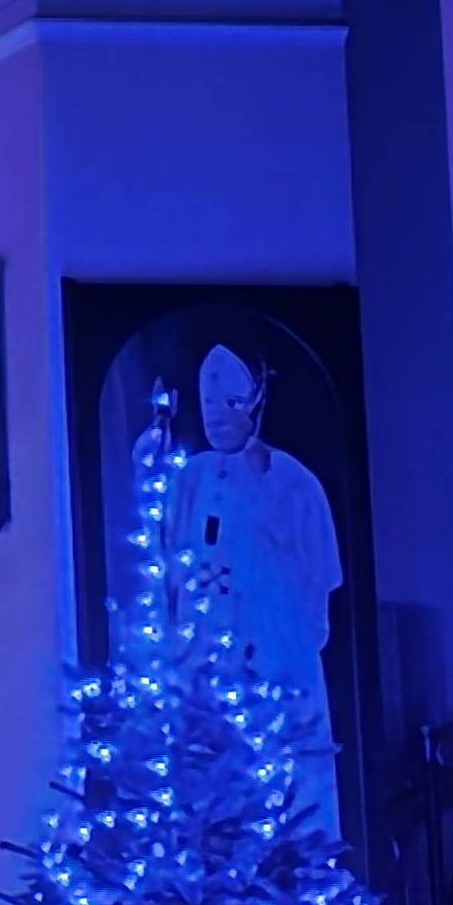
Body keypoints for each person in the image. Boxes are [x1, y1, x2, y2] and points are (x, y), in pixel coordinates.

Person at [160, 349, 347, 832]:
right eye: (208, 402)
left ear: (255, 401)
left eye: (230, 401)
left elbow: (318, 577)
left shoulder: (292, 481)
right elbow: (167, 551)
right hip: (203, 653)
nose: (217, 414)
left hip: (272, 647)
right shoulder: (189, 478)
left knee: (288, 781)